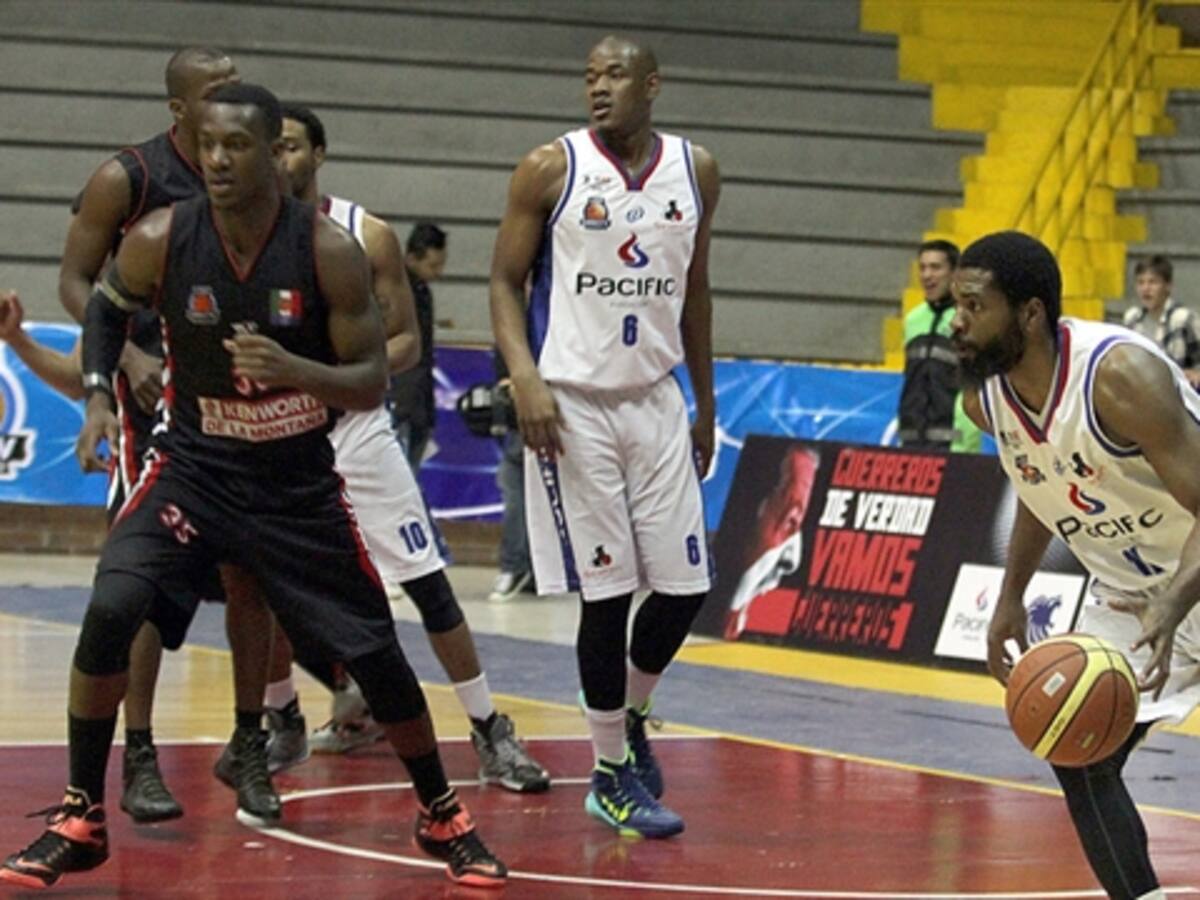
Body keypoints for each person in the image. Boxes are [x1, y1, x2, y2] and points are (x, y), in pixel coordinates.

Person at [0, 83, 505, 890]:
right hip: (193, 470)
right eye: (207, 146)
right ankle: (80, 815)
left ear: (274, 154)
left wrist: (295, 369)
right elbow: (102, 310)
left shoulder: (327, 251)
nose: (218, 160)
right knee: (110, 606)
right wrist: (99, 394)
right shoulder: (161, 237)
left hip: (295, 486)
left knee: (374, 653)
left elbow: (374, 378)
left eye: (236, 146)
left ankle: (442, 812)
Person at [259, 102, 549, 792]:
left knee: (427, 585)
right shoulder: (239, 239)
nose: (279, 159)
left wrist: (318, 378)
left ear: (318, 155)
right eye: (271, 148)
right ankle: (280, 722)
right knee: (260, 590)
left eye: (293, 147)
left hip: (357, 435)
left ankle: (488, 729)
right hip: (277, 440)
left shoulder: (366, 234)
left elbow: (407, 343)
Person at [489, 35, 719, 839]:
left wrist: (706, 402)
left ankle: (630, 714)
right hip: (573, 404)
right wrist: (524, 377)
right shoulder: (549, 169)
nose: (598, 88)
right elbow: (502, 280)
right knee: (608, 593)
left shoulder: (697, 171)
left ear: (652, 84)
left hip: (656, 398)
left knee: (686, 587)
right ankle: (610, 772)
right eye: (589, 76)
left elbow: (695, 288)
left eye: (615, 75)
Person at [58, 46, 272, 827]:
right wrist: (129, 358)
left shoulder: (256, 168)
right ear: (180, 110)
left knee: (255, 574)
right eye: (217, 92)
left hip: (242, 400)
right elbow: (78, 285)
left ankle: (252, 741)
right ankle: (138, 750)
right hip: (157, 399)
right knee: (143, 581)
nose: (233, 97)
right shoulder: (130, 178)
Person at [953, 230, 1200, 900]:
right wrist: (1011, 596)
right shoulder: (987, 400)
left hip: (1189, 571)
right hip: (1132, 591)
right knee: (1079, 751)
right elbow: (1042, 486)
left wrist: (1178, 599)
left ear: (1029, 314)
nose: (957, 320)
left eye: (975, 305)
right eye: (956, 304)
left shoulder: (1119, 379)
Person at [897, 239, 982, 452]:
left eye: (936, 267)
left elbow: (973, 386)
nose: (927, 275)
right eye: (923, 267)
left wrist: (964, 445)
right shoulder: (912, 319)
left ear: (954, 273)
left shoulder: (969, 319)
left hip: (955, 447)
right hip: (911, 443)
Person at [389, 222, 446, 471]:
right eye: (433, 265)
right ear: (412, 257)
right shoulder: (392, 291)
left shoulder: (423, 292)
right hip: (400, 401)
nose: (439, 272)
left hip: (419, 402)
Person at [488, 352, 534, 603]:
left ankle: (516, 567)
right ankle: (530, 570)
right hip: (521, 419)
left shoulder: (537, 320)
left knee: (515, 492)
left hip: (536, 415)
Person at [1122, 254, 1200, 389]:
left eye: (1153, 282)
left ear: (1168, 286)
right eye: (1141, 282)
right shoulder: (1132, 319)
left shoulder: (1183, 318)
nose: (1146, 288)